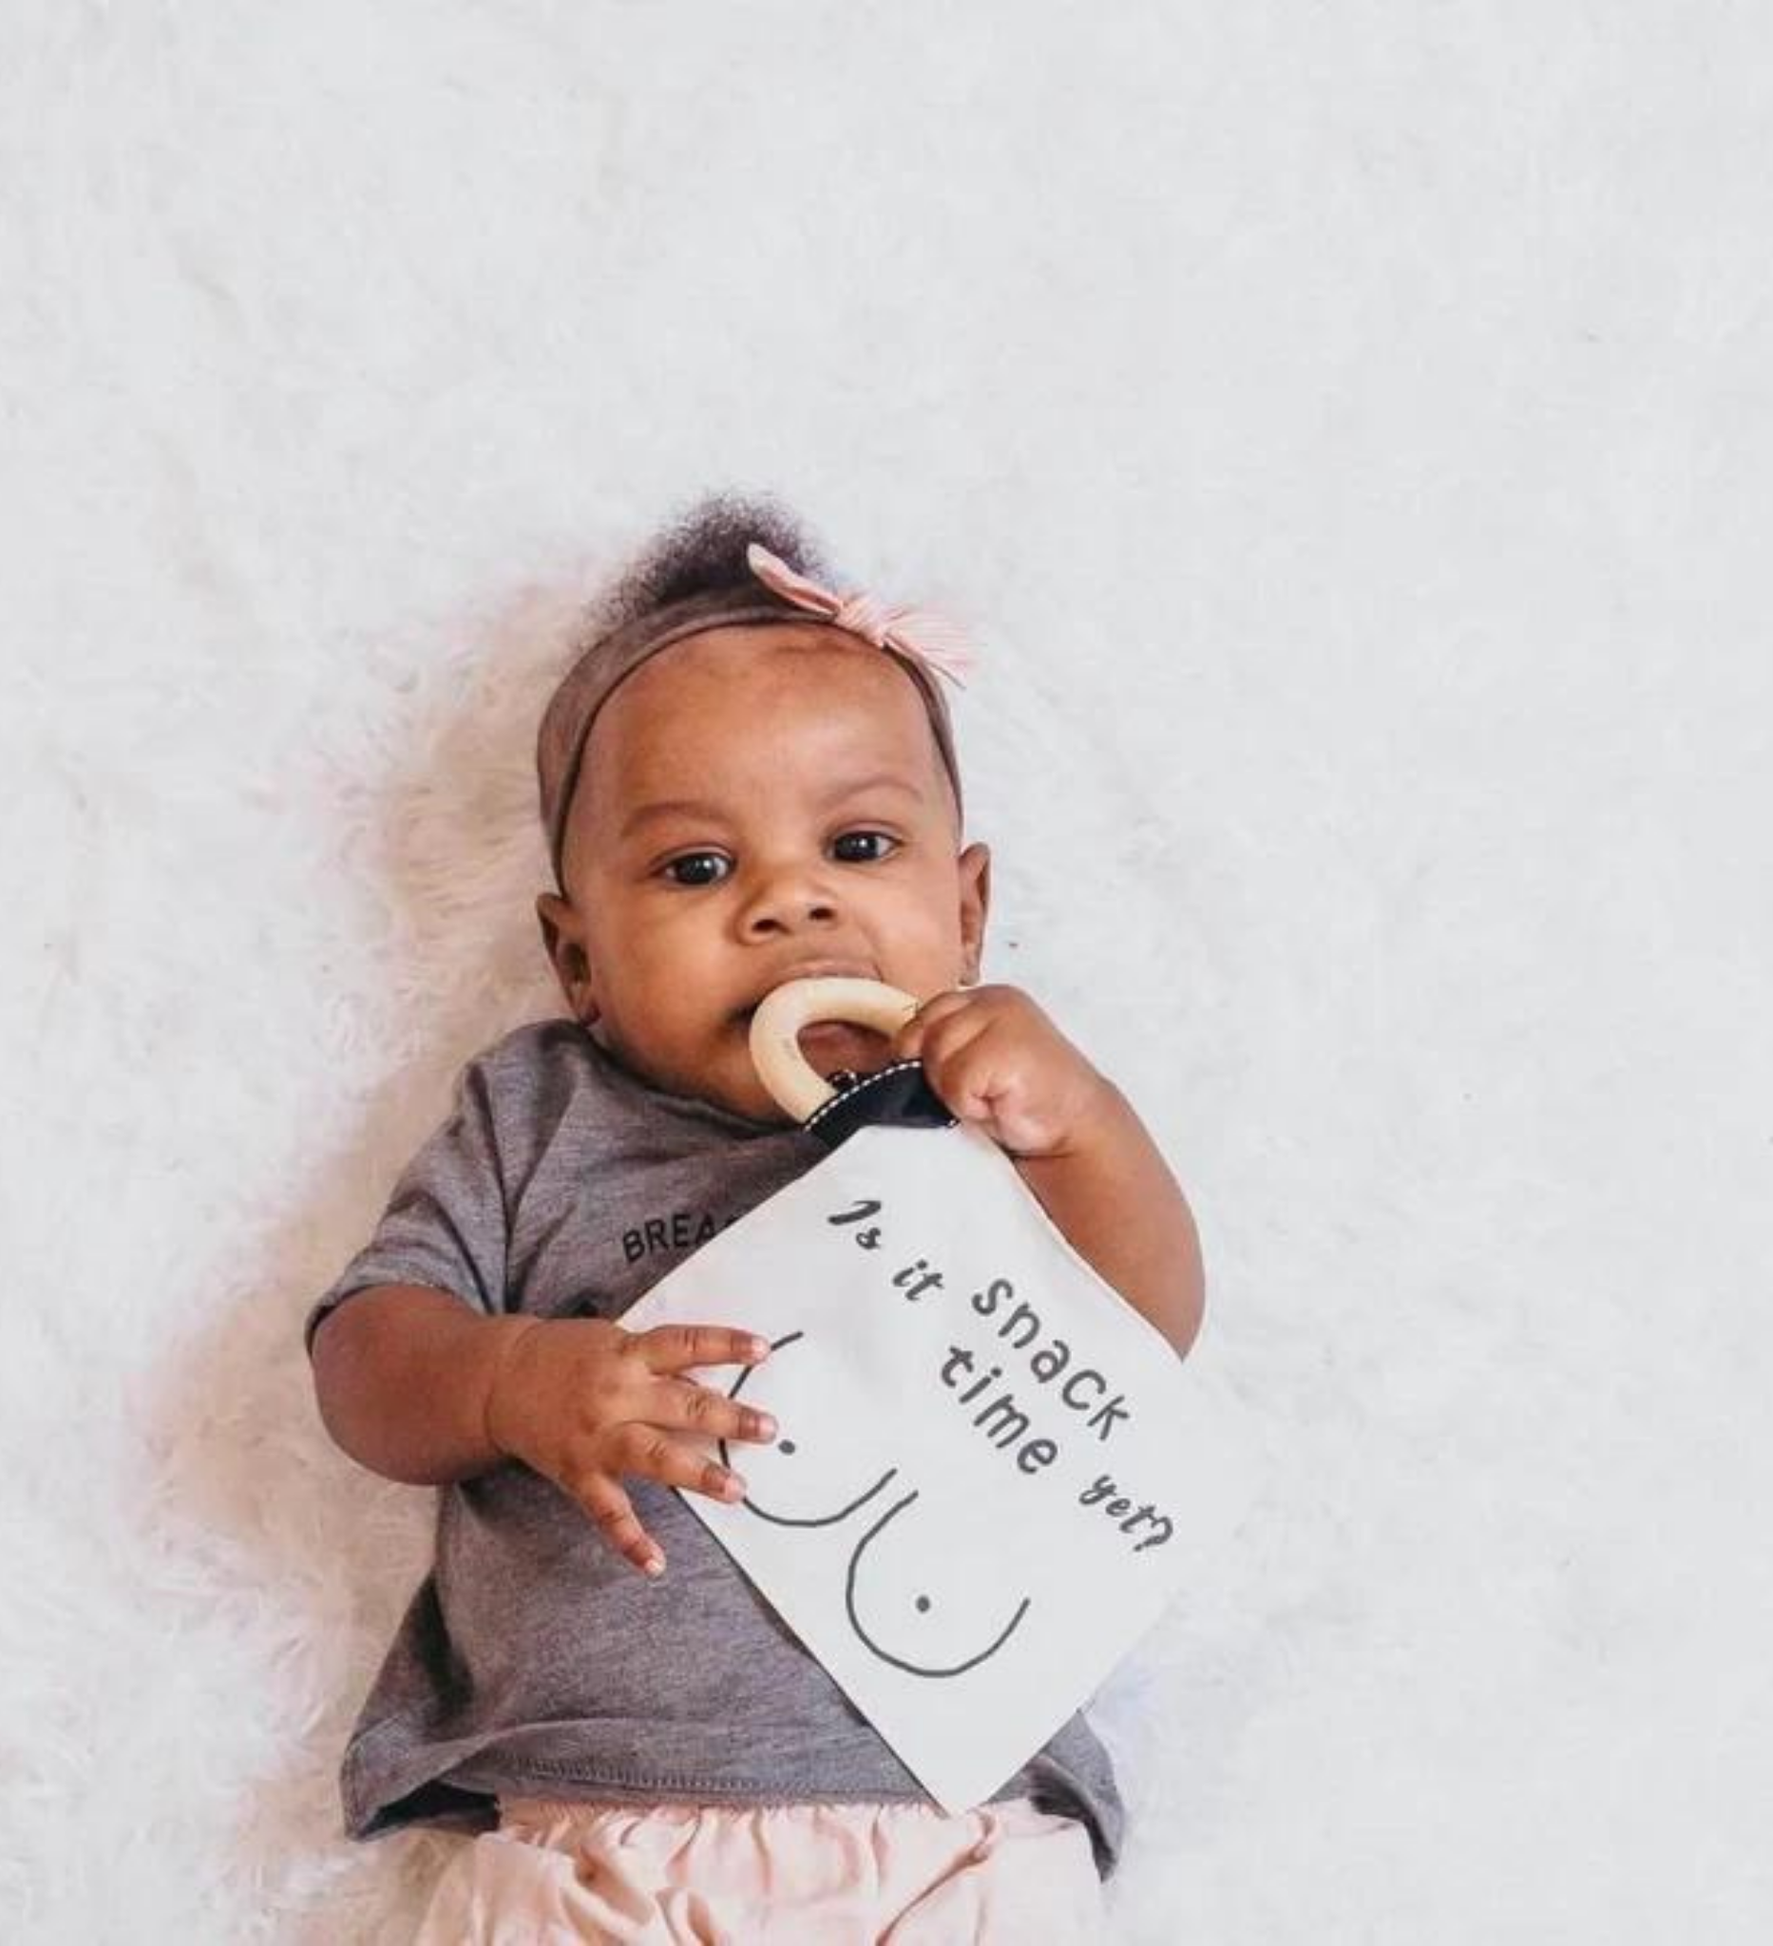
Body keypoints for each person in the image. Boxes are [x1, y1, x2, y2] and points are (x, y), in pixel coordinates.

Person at [305, 495, 1205, 1942]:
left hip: (958, 1828)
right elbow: (361, 1360)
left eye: (857, 845)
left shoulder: (987, 1111)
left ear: (965, 910)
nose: (788, 905)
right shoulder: (541, 1115)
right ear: (575, 955)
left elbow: (1140, 1329)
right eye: (696, 868)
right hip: (592, 1836)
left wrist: (1084, 1123)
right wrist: (510, 1379)